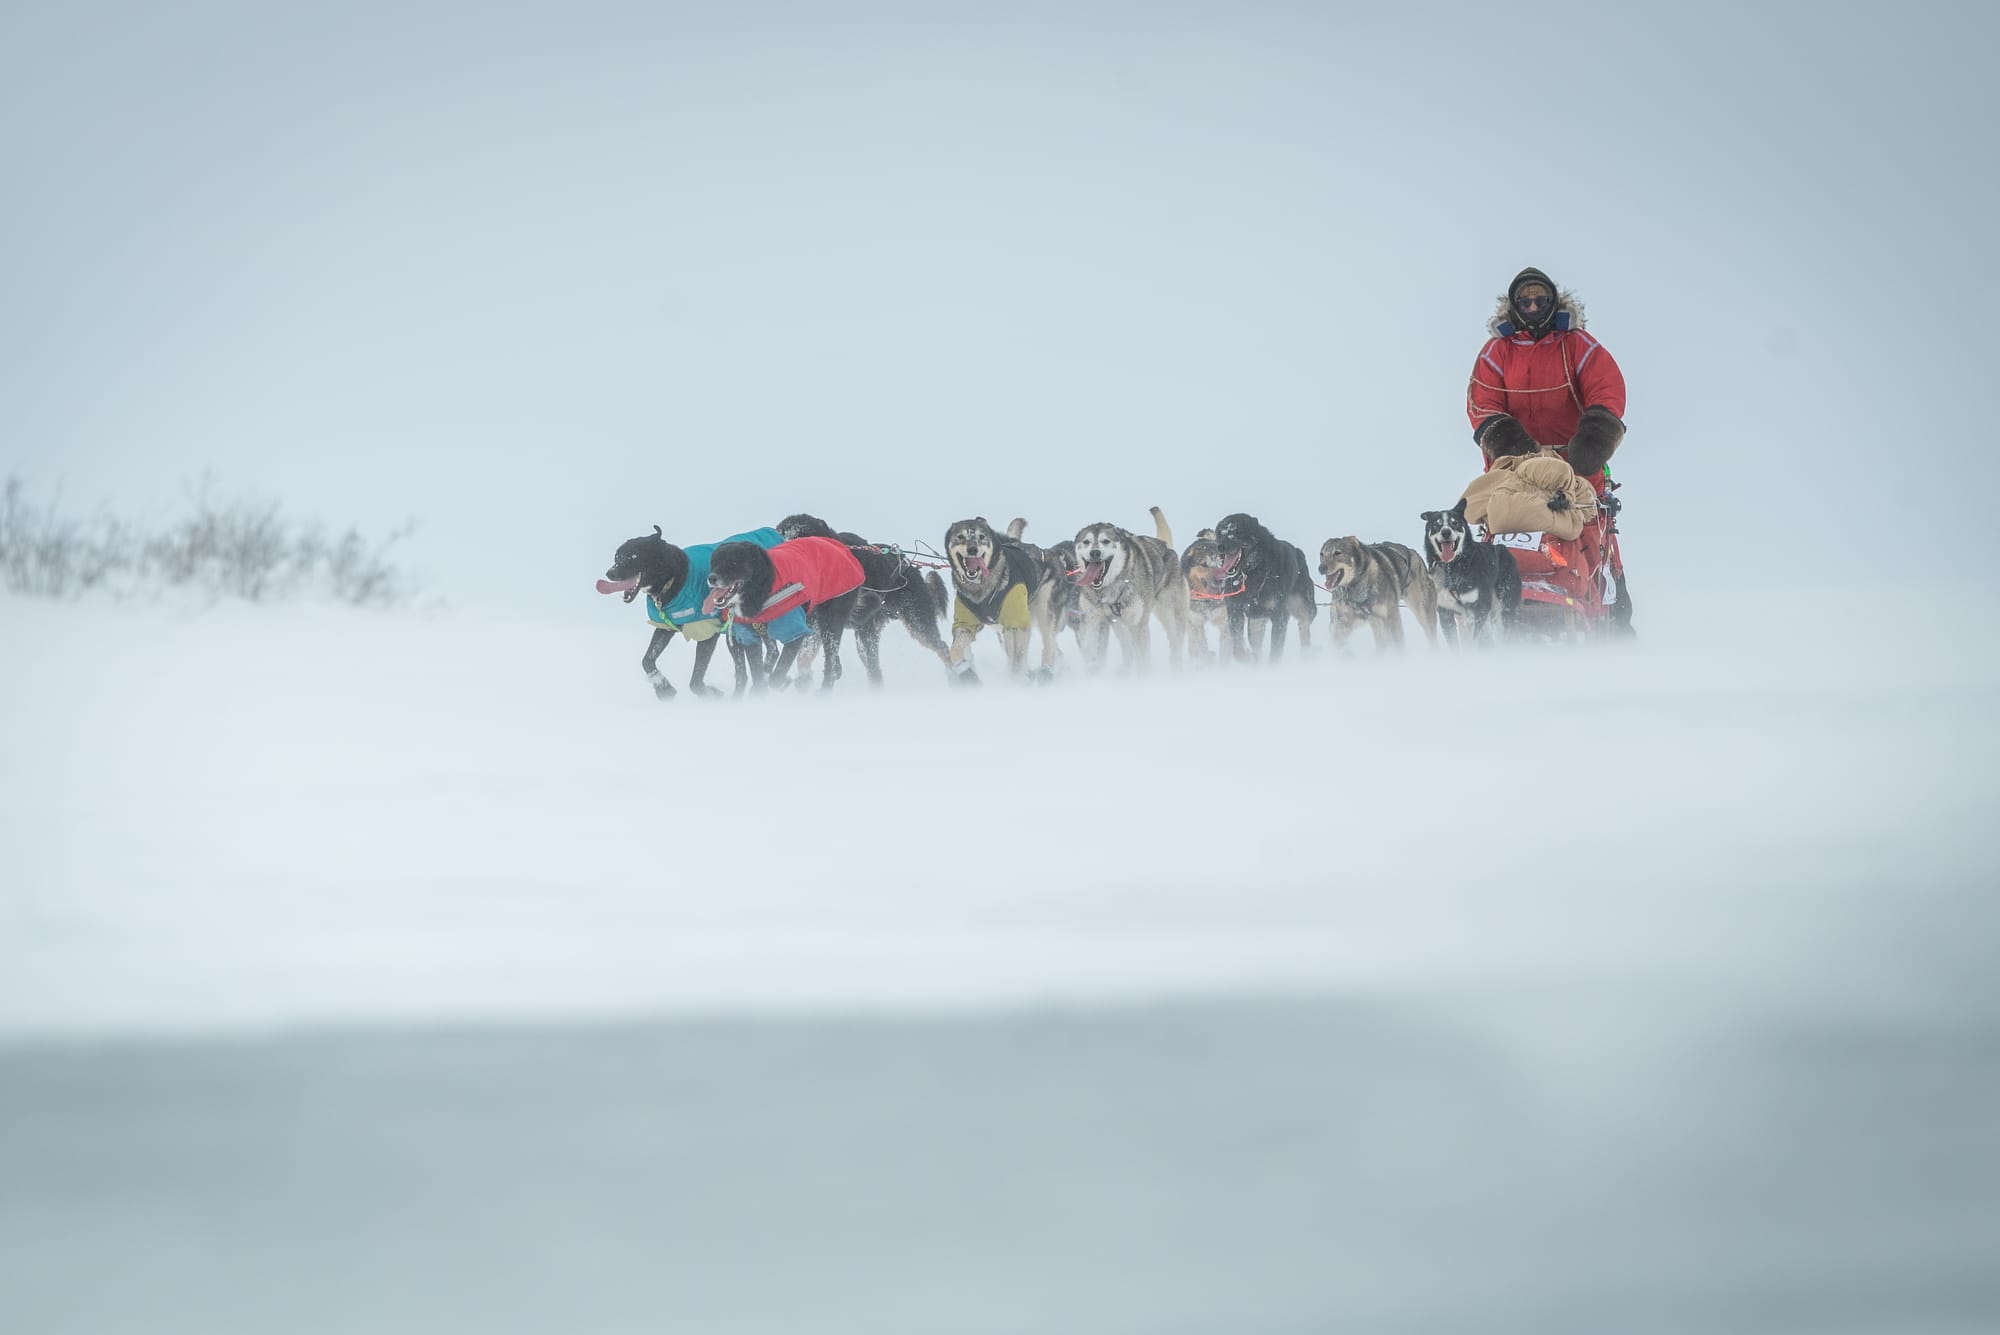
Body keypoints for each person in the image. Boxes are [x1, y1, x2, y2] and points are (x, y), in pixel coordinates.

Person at [1465, 267, 1627, 478]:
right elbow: (1483, 401)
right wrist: (1508, 442)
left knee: (1564, 506)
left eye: (1540, 301)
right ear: (1516, 306)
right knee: (1498, 504)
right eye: (1525, 302)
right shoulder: (1497, 350)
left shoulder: (1574, 343)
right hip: (1516, 468)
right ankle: (1463, 511)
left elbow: (1605, 385)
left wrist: (1596, 435)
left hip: (1574, 467)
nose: (1533, 307)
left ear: (1552, 303)